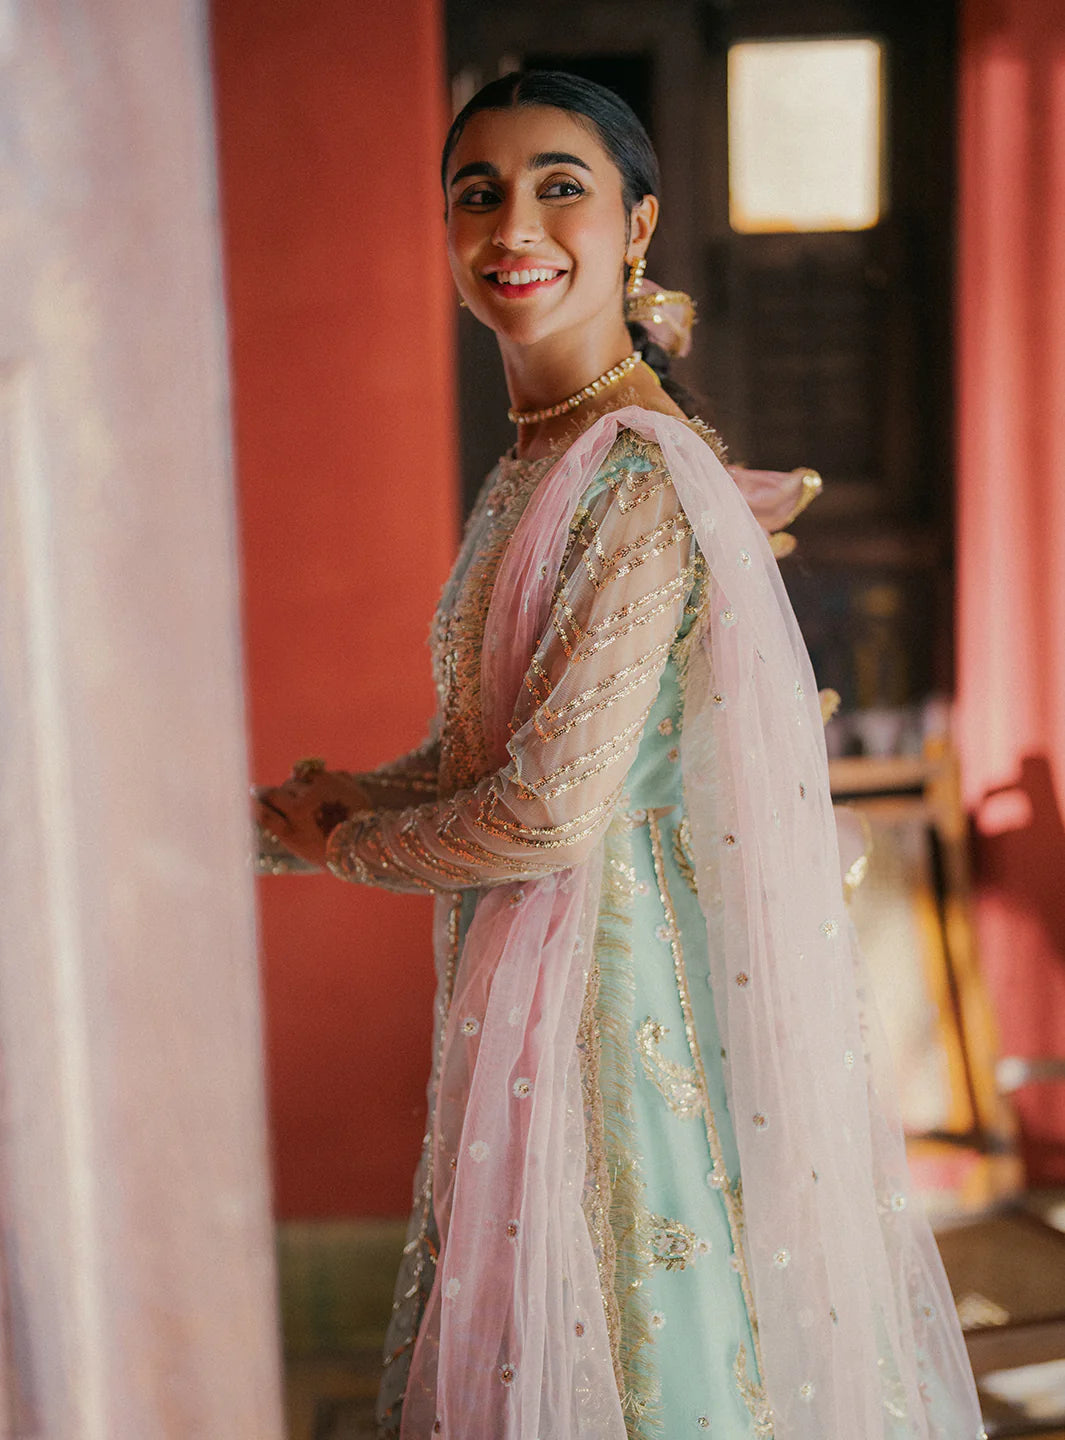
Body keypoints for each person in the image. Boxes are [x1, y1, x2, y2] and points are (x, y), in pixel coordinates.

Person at [255, 71, 983, 1440]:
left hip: (625, 1013)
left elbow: (543, 813)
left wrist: (345, 844)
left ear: (638, 225)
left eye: (559, 188)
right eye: (477, 194)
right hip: (549, 984)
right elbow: (483, 753)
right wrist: (293, 818)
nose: (511, 227)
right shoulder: (541, 462)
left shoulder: (635, 477)